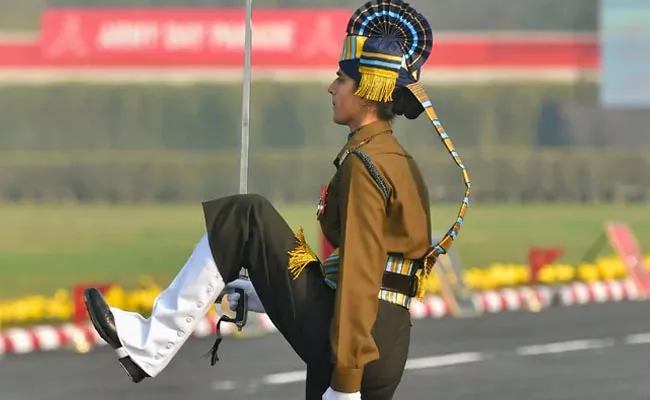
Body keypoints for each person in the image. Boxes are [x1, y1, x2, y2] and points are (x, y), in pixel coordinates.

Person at [82, 0, 471, 399]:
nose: (331, 87)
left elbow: (359, 279)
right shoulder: (394, 158)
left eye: (340, 78)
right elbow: (375, 277)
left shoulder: (366, 165)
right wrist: (260, 292)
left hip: (361, 342)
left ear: (368, 90)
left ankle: (149, 342)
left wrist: (346, 383)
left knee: (246, 216)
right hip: (382, 340)